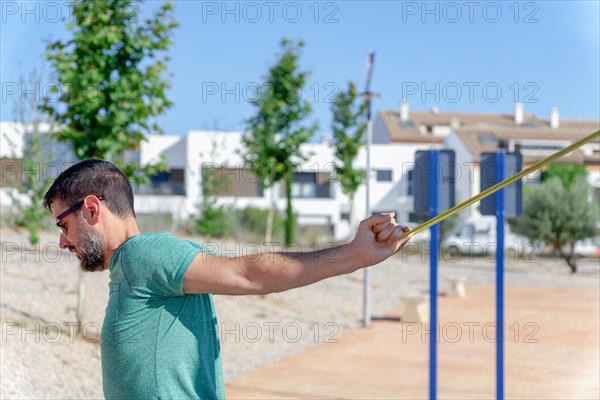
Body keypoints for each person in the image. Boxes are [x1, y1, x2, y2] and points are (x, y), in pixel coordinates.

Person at [43, 159, 412, 400]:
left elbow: (246, 275)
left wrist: (352, 256)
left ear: (92, 208)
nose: (62, 240)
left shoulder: (144, 254)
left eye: (63, 224)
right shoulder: (130, 266)